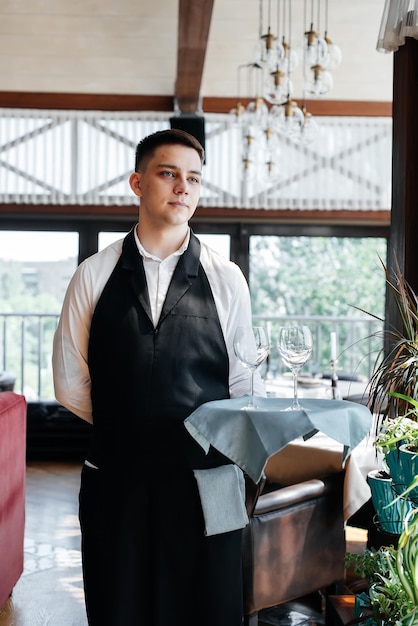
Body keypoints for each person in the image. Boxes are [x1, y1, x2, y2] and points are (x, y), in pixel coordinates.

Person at [52, 128, 265, 626]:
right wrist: (131, 425)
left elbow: (243, 386)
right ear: (137, 182)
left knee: (210, 609)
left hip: (211, 478)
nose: (182, 187)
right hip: (117, 476)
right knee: (118, 605)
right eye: (168, 173)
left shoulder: (226, 277)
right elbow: (69, 382)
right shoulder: (93, 274)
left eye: (193, 178)